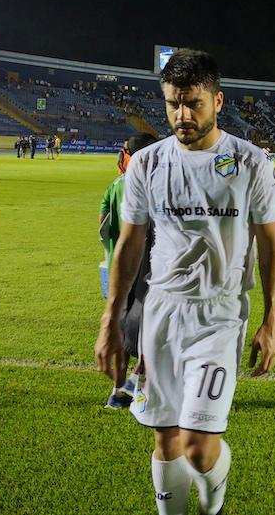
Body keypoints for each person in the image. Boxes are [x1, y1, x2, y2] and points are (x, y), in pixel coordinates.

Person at [95, 48, 275, 515]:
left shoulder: (250, 162)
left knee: (199, 445)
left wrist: (271, 319)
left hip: (219, 314)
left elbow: (272, 246)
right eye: (173, 104)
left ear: (217, 101)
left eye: (193, 103)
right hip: (162, 311)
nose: (182, 115)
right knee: (166, 440)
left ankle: (212, 505)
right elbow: (130, 246)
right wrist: (111, 321)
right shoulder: (148, 164)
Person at [99, 132, 158, 409]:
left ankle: (118, 391)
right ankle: (140, 385)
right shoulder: (161, 187)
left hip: (118, 270)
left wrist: (110, 255)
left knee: (121, 330)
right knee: (151, 330)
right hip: (149, 271)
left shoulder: (116, 185)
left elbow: (103, 227)